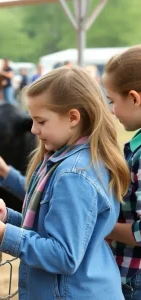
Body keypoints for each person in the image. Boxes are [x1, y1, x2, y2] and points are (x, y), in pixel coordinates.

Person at [0, 66, 130, 300]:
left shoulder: (73, 176)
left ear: (73, 117)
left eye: (40, 121)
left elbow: (63, 255)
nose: (33, 130)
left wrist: (4, 235)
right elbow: (48, 228)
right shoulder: (73, 161)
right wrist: (6, 218)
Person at [103, 45, 141, 300]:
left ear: (135, 98)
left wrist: (102, 228)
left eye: (112, 101)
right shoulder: (134, 146)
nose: (112, 111)